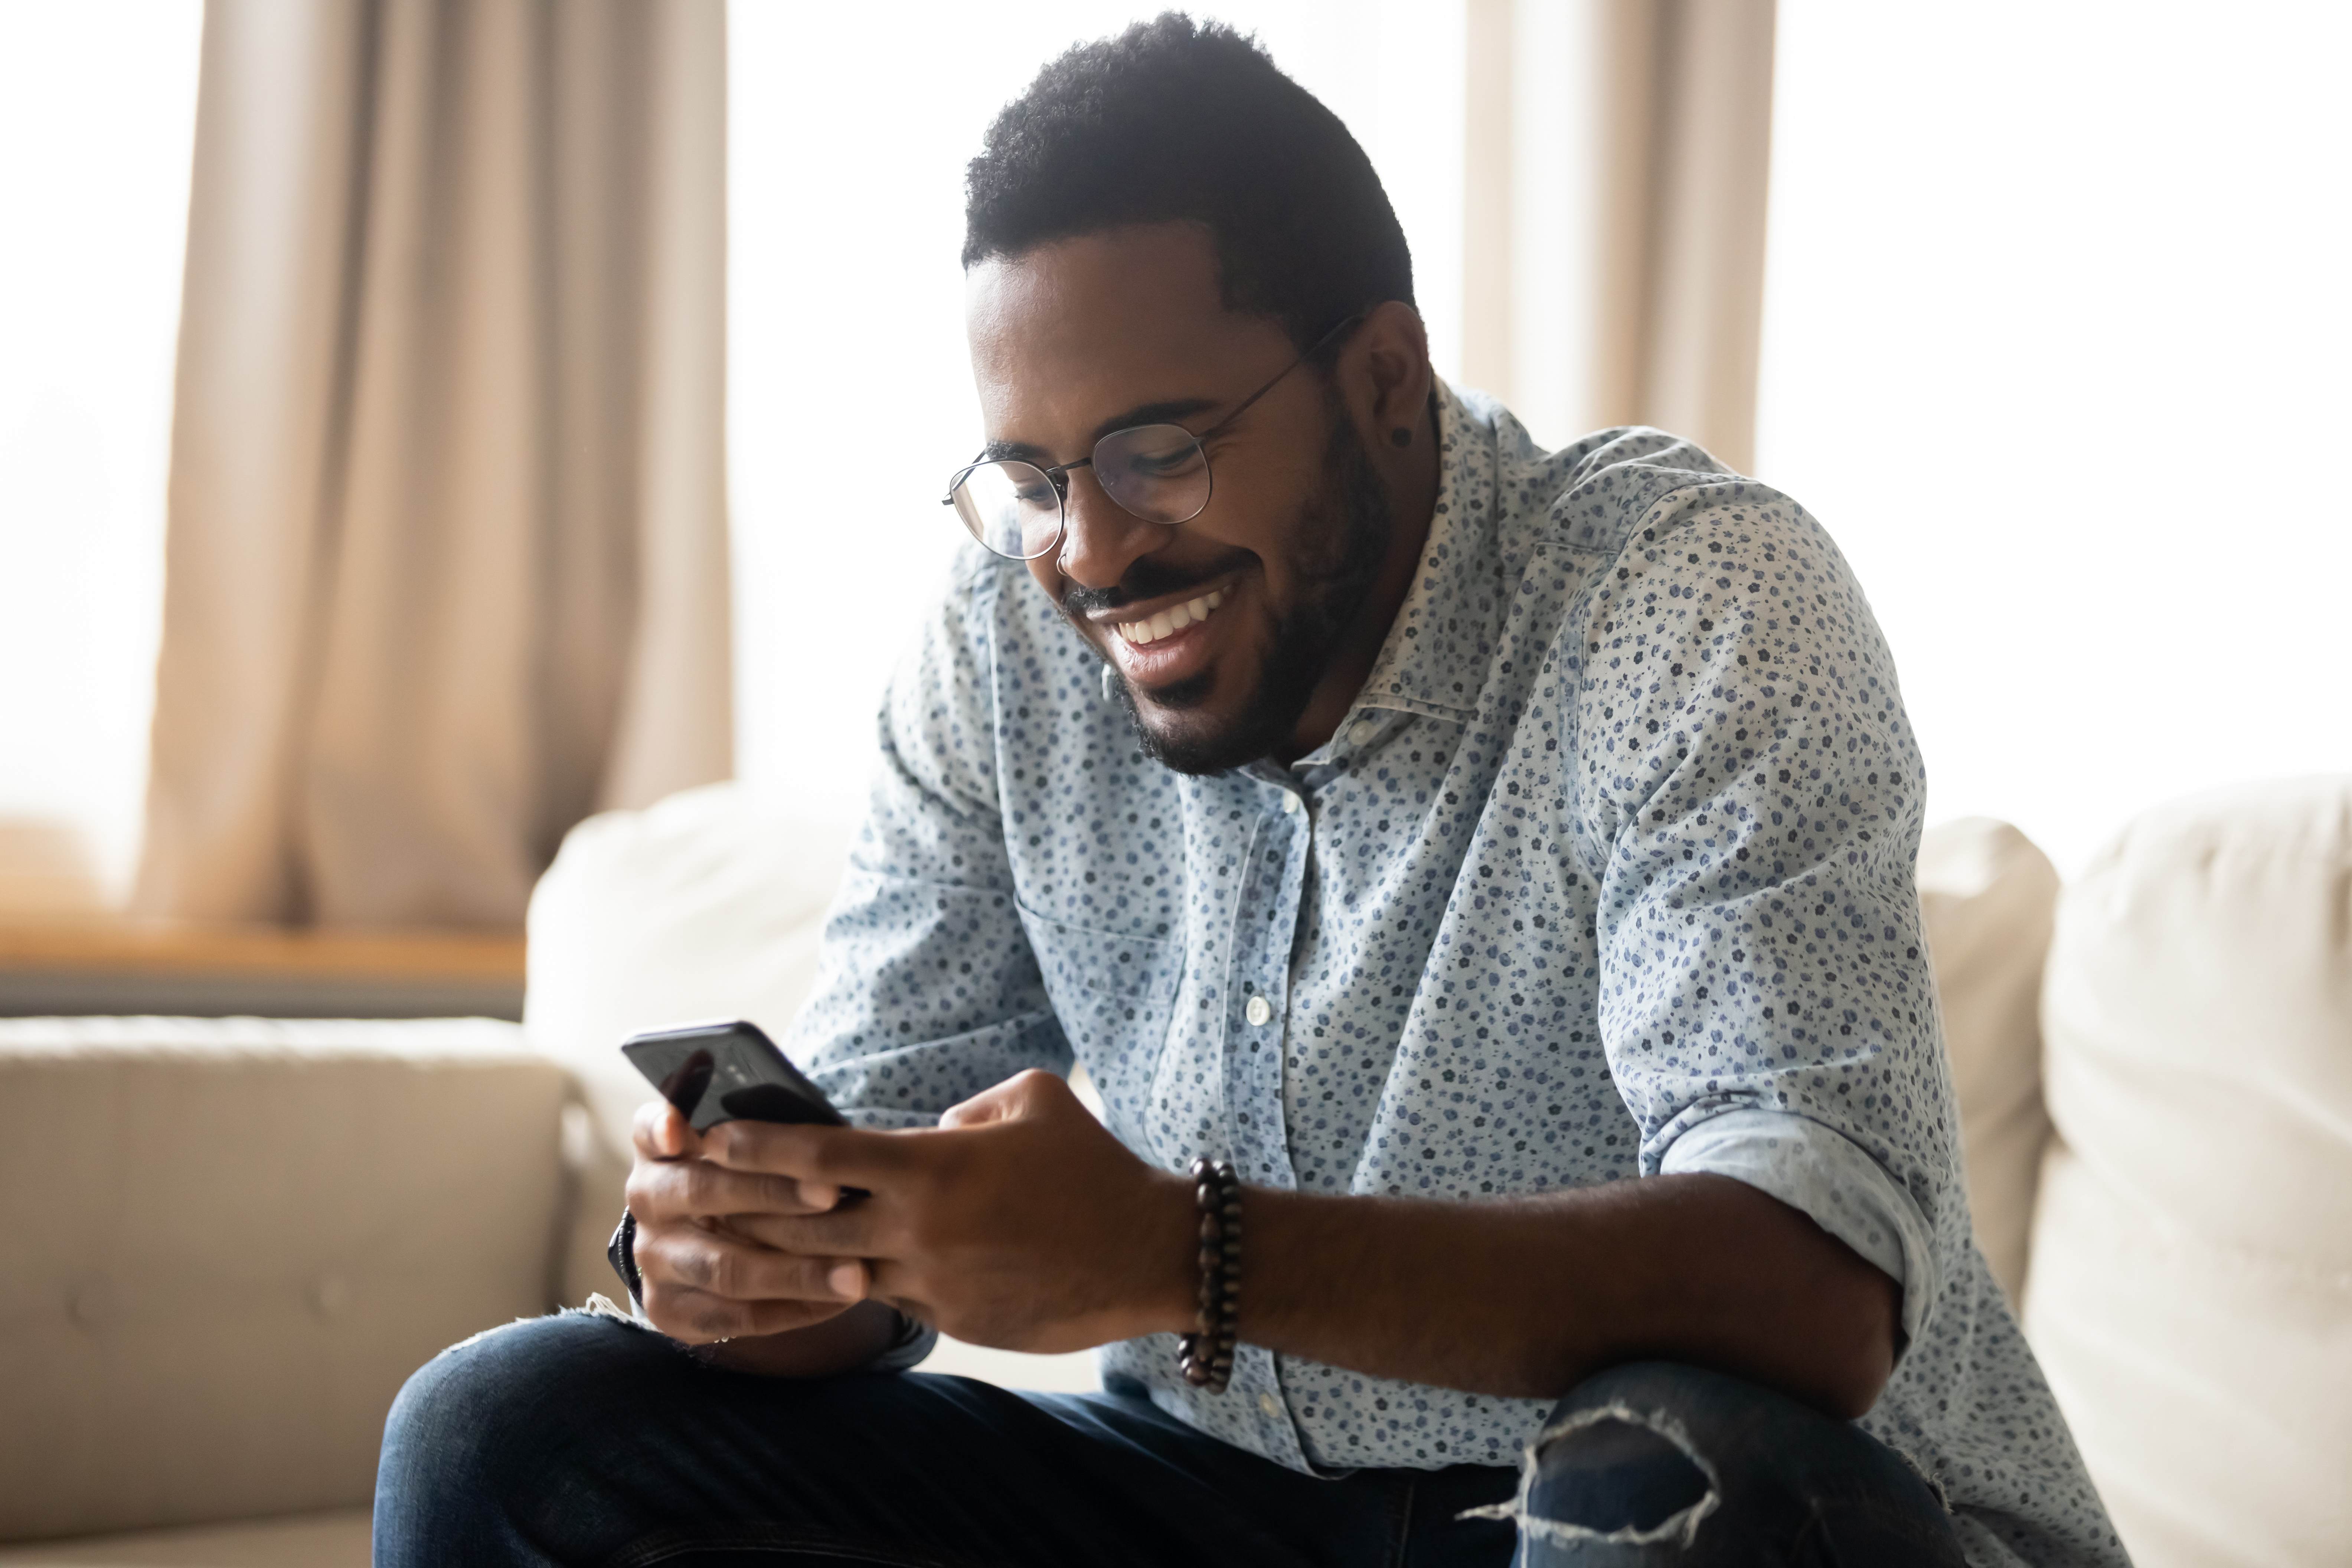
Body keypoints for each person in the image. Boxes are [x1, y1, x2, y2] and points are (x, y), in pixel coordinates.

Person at [376, 16, 2125, 1567]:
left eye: (1160, 450)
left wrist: (1179, 1256)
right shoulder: (1009, 638)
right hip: (1207, 1498)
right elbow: (864, 1172)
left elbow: (1808, 1301)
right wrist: (738, 1258)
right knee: (508, 1437)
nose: (1093, 552)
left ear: (1382, 377)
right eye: (1034, 478)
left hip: (1721, 1509)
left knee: (1657, 1476)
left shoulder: (1689, 600)